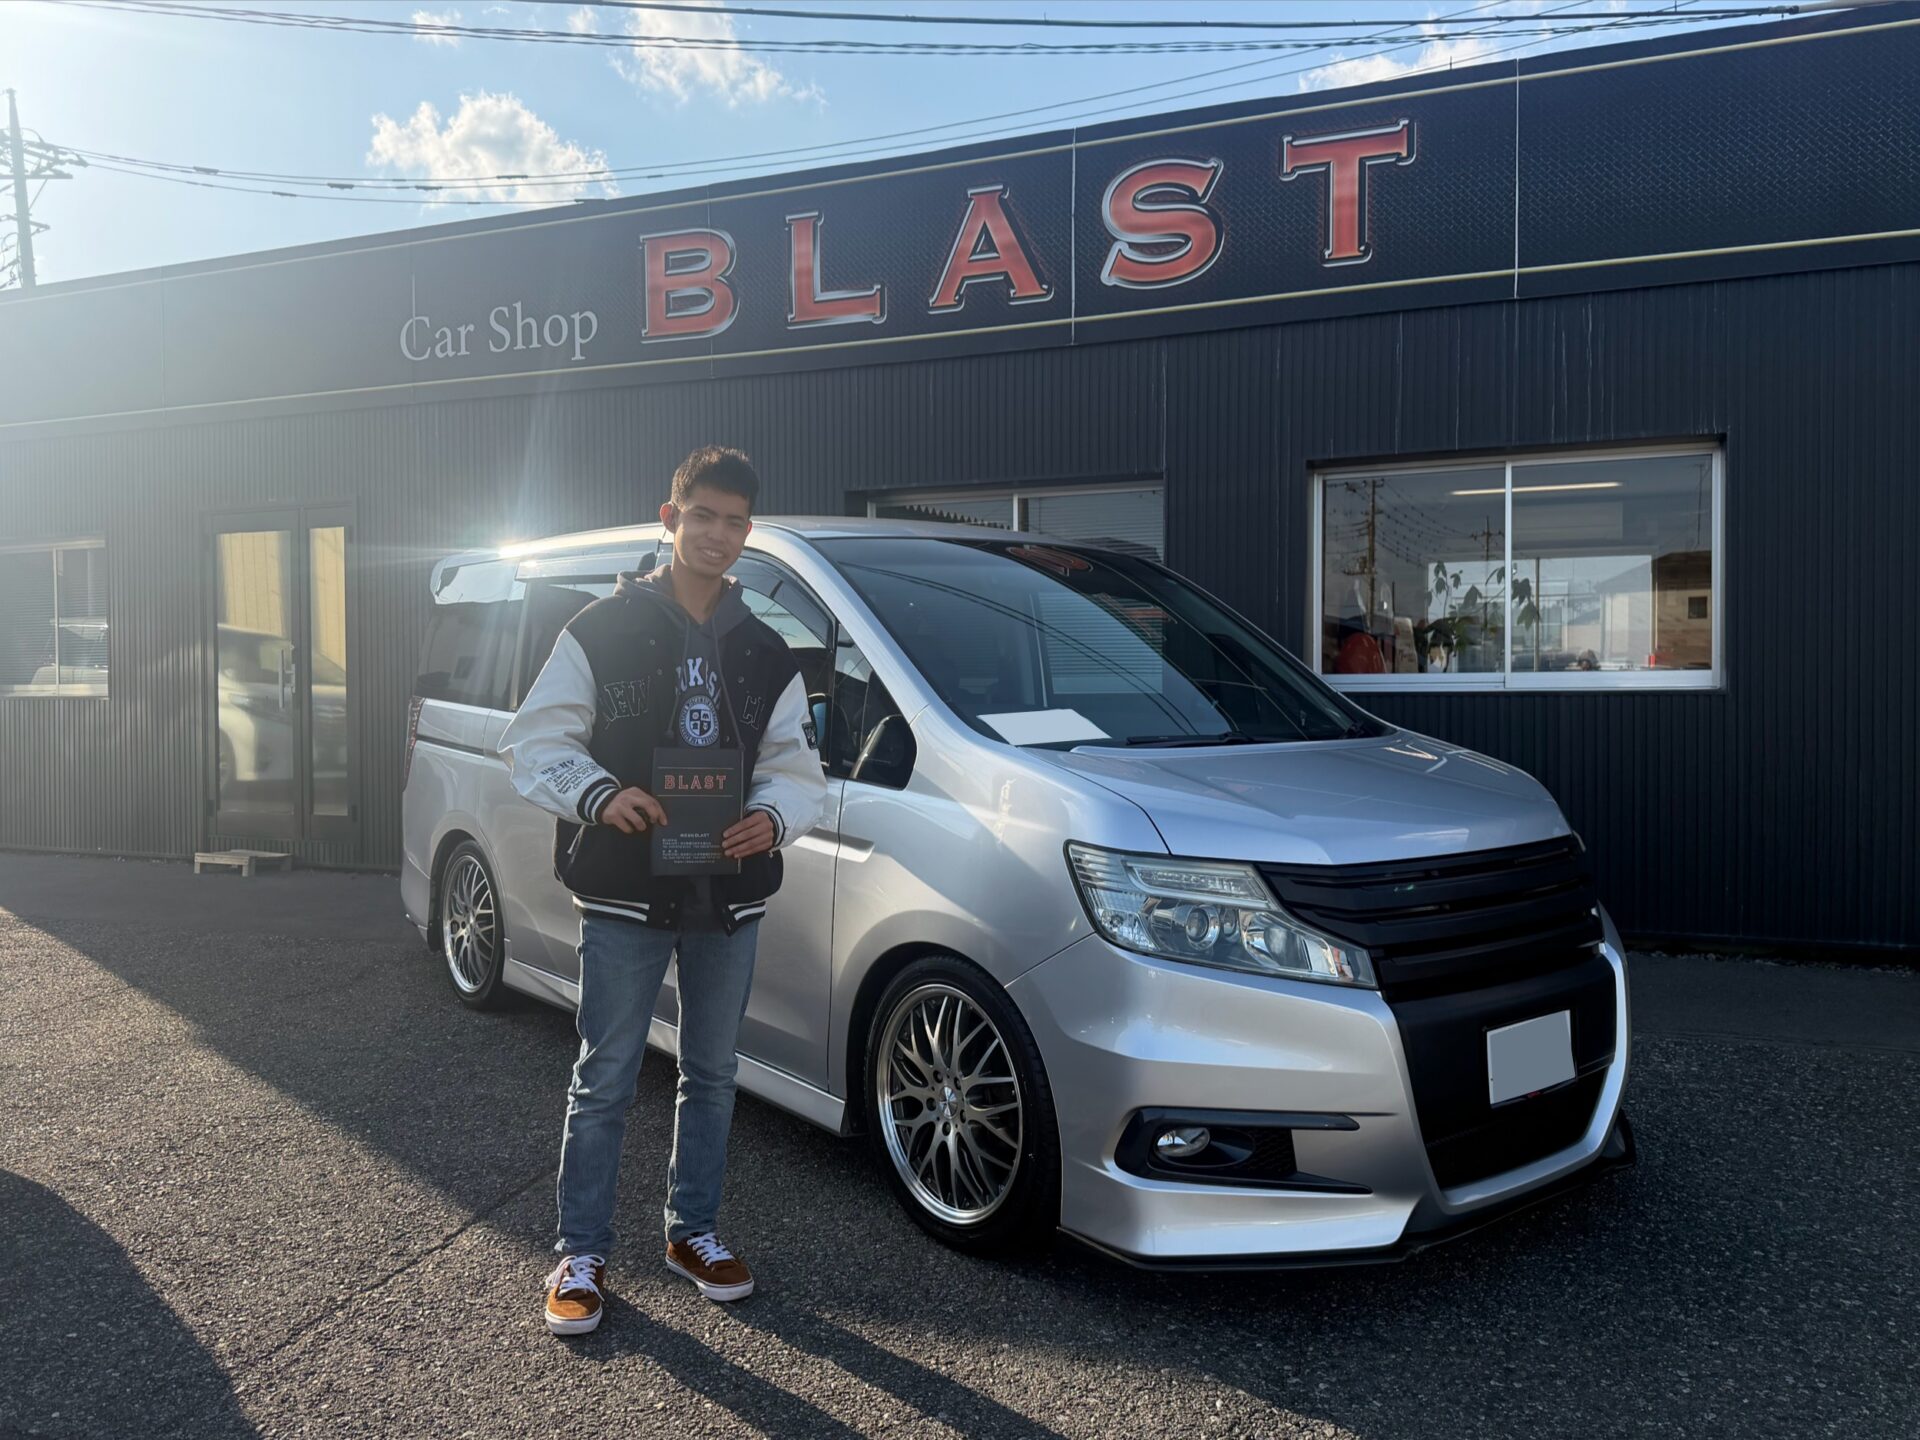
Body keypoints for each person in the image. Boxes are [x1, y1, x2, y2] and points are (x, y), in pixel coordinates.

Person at [499, 446, 827, 1336]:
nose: (718, 535)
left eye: (735, 522)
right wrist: (601, 795)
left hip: (728, 893)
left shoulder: (766, 651)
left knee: (713, 1073)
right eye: (703, 516)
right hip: (624, 891)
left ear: (748, 533)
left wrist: (773, 818)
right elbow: (537, 741)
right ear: (670, 517)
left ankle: (693, 1233)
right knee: (605, 1075)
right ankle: (580, 1252)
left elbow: (796, 767)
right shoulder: (600, 629)